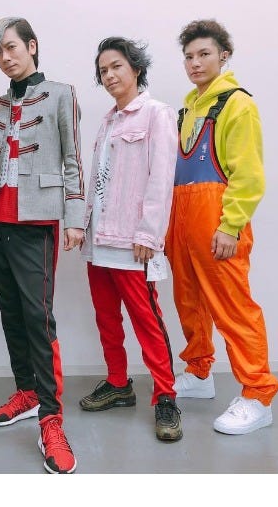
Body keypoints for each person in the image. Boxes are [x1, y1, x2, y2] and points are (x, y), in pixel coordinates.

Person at [0, 17, 85, 474]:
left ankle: (51, 419)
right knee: (11, 312)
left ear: (32, 46)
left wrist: (74, 218)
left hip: (37, 220)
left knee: (39, 317)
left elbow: (73, 158)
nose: (6, 57)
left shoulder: (60, 94)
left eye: (12, 47)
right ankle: (27, 392)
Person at [166, 19, 278, 434]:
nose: (195, 63)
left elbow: (248, 175)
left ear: (223, 56)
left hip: (217, 219)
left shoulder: (237, 105)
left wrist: (231, 226)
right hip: (182, 219)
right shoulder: (188, 109)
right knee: (189, 301)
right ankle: (199, 373)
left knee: (233, 308)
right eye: (189, 56)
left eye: (204, 54)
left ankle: (258, 395)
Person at [79, 37, 181, 442]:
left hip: (132, 242)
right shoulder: (108, 121)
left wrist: (149, 234)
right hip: (98, 240)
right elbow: (99, 181)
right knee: (106, 318)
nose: (109, 75)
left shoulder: (157, 114)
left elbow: (162, 178)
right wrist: (83, 227)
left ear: (136, 68)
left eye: (116, 66)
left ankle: (165, 396)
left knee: (147, 322)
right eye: (103, 70)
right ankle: (118, 383)